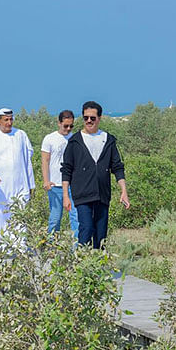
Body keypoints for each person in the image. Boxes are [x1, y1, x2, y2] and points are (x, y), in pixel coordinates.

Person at [61, 101, 130, 249]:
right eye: (86, 118)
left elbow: (117, 167)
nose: (89, 121)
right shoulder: (74, 142)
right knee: (86, 229)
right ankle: (81, 264)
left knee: (101, 234)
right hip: (82, 193)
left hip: (102, 193)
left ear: (99, 118)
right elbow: (66, 169)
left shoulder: (108, 140)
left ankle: (98, 267)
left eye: (92, 118)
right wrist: (66, 196)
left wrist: (123, 190)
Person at [0, 108, 35, 256]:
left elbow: (27, 156)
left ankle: (19, 245)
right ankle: (0, 245)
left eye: (11, 119)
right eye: (6, 120)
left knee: (19, 212)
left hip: (20, 183)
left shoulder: (20, 134)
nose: (9, 123)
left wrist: (31, 183)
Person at [41, 110, 79, 237]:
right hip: (55, 184)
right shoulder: (49, 138)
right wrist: (46, 180)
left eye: (71, 126)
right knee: (55, 218)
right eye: (66, 126)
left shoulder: (75, 139)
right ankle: (52, 247)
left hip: (73, 184)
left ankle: (77, 248)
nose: (68, 129)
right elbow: (45, 160)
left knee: (76, 217)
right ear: (59, 123)